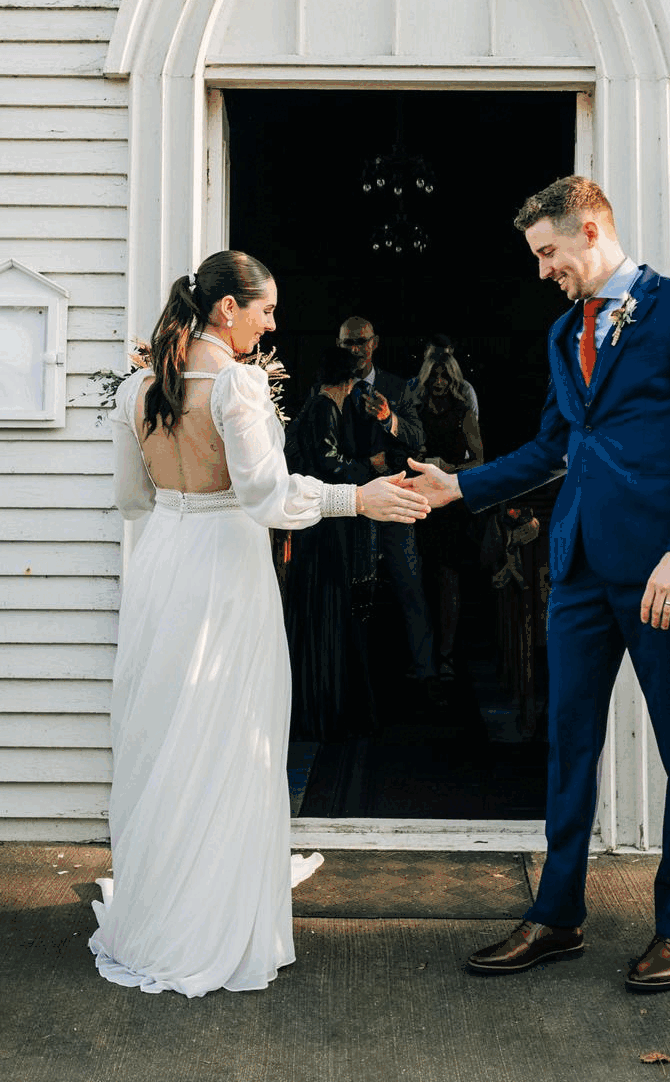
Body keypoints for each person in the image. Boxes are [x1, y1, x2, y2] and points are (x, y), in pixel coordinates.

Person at [405, 176, 670, 992]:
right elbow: (553, 446)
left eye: (547, 252)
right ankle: (557, 916)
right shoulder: (565, 333)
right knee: (568, 743)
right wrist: (461, 486)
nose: (541, 269)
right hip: (579, 571)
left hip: (666, 573)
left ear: (589, 231)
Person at [90, 251, 428, 997]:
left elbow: (130, 501)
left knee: (166, 729)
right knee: (232, 733)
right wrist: (356, 499)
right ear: (226, 310)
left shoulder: (138, 385)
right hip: (224, 571)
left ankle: (163, 907)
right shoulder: (235, 385)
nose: (272, 322)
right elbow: (267, 499)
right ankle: (214, 920)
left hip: (161, 566)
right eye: (265, 309)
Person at [285, 347, 381, 740]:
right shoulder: (325, 407)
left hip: (315, 520)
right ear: (347, 381)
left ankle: (319, 706)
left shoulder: (312, 406)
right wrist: (367, 473)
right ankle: (326, 709)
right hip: (324, 520)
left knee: (319, 604)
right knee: (328, 600)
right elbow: (328, 463)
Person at [337, 316, 437, 689]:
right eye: (348, 343)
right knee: (351, 590)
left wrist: (388, 417)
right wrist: (365, 467)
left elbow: (416, 436)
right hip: (352, 501)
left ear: (375, 342)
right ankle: (352, 677)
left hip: (396, 502)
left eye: (361, 342)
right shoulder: (332, 386)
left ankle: (425, 673)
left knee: (409, 585)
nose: (355, 350)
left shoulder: (399, 387)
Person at [411, 342, 483, 680]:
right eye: (433, 375)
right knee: (418, 578)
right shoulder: (415, 407)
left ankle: (448, 654)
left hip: (451, 501)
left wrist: (452, 469)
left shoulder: (463, 409)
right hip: (419, 499)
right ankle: (422, 656)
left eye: (444, 375)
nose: (438, 381)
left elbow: (480, 459)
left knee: (448, 578)